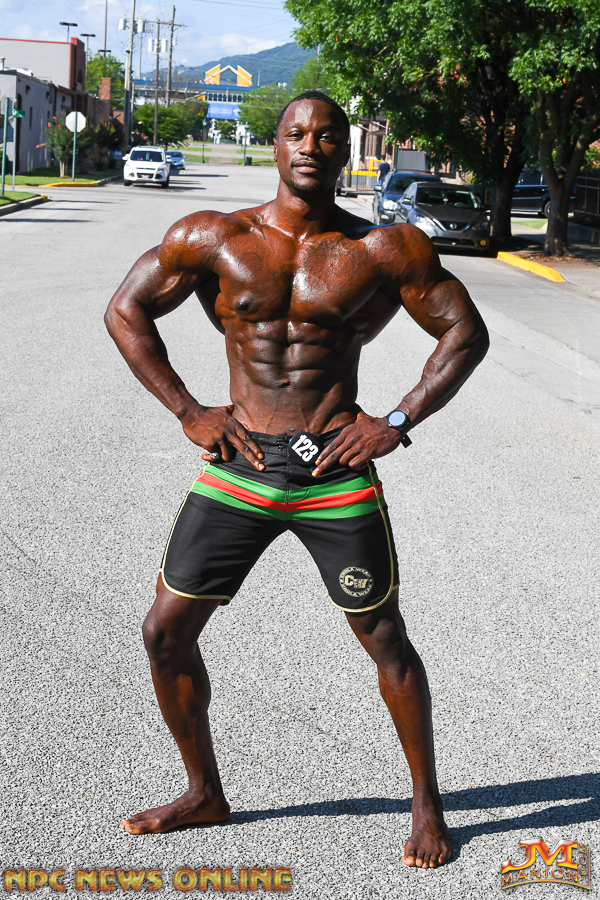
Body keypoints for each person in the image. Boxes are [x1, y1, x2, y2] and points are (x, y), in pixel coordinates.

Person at [104, 90, 489, 867]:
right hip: (241, 464)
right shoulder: (214, 236)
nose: (311, 145)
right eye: (297, 133)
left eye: (327, 135)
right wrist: (188, 410)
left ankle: (427, 806)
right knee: (163, 632)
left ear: (346, 149)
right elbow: (125, 310)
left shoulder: (384, 249)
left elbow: (464, 332)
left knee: (385, 639)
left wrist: (395, 420)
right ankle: (204, 793)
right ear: (276, 144)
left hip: (331, 471)